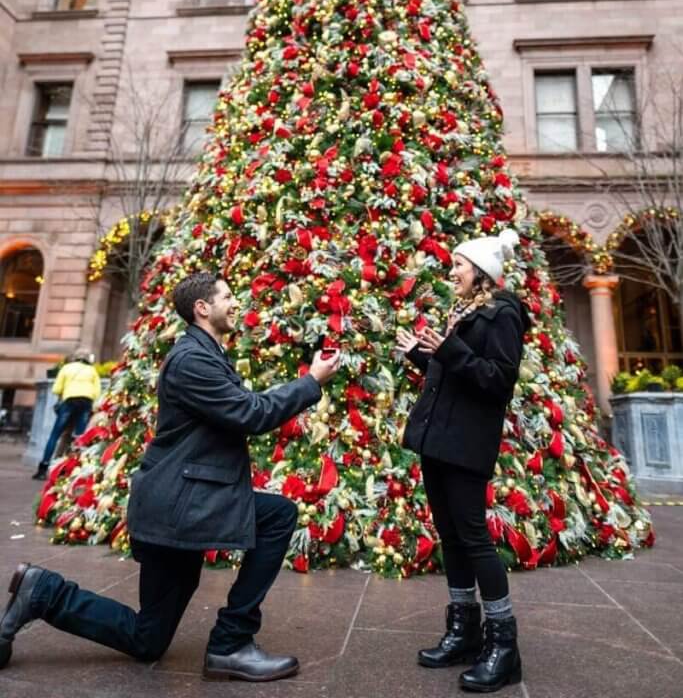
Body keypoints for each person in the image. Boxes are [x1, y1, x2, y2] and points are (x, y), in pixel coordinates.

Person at [1, 271, 340, 681]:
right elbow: (250, 413)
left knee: (148, 639)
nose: (237, 303)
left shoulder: (205, 354)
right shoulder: (192, 359)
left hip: (184, 503)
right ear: (202, 308)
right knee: (278, 514)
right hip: (182, 505)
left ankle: (43, 592)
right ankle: (231, 643)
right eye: (228, 295)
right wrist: (311, 382)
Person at [397, 228, 529, 694]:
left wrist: (448, 349)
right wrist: (420, 356)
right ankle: (464, 631)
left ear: (482, 273)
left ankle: (503, 645)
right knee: (451, 537)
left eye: (458, 264)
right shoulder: (465, 312)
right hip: (439, 437)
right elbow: (454, 372)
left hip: (466, 442)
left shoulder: (503, 313)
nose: (451, 271)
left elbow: (497, 380)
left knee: (473, 538)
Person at [32, 347, 101, 480]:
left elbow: (56, 388)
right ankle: (74, 469)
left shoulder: (67, 368)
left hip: (69, 402)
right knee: (79, 437)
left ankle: (43, 468)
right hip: (85, 403)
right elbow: (97, 392)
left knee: (55, 435)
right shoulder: (92, 371)